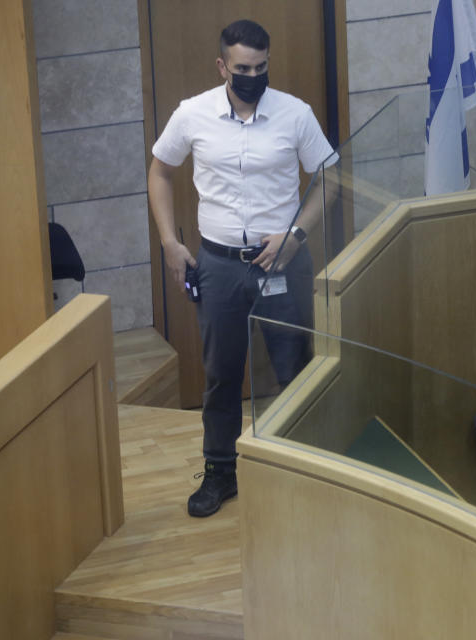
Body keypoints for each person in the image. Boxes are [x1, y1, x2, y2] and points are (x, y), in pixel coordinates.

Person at [147, 19, 336, 517]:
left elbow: (328, 180)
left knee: (294, 368)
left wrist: (295, 234)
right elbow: (161, 171)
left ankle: (301, 471)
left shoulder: (294, 114)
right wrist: (170, 242)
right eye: (243, 68)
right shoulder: (193, 115)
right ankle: (220, 472)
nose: (253, 75)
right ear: (222, 66)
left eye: (261, 66)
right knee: (222, 373)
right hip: (220, 265)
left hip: (285, 262)